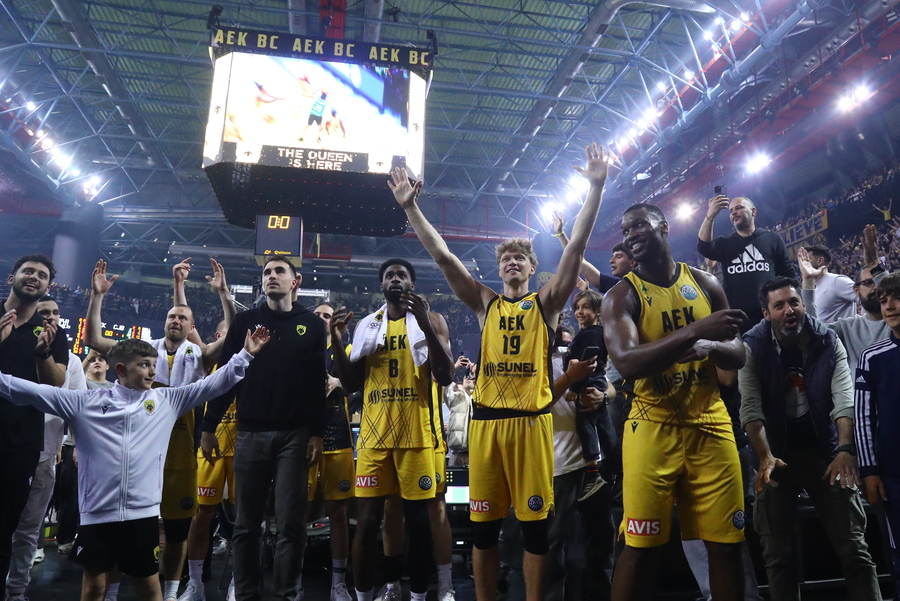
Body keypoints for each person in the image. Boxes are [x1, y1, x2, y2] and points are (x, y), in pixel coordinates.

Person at [389, 143, 608, 601]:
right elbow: (445, 256)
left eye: (520, 259)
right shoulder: (485, 302)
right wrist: (412, 209)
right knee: (485, 533)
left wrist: (597, 186)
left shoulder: (546, 304)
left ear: (532, 268)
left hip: (531, 426)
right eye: (505, 259)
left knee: (534, 535)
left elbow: (579, 249)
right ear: (499, 267)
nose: (511, 263)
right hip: (487, 425)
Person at [0, 328, 269, 601]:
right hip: (97, 516)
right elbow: (23, 390)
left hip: (143, 517)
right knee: (93, 588)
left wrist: (245, 355)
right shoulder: (84, 403)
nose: (153, 372)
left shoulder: (167, 401)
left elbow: (211, 385)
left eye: (154, 365)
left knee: (150, 589)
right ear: (120, 369)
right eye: (144, 365)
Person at [602, 203, 748, 601]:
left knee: (726, 545)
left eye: (638, 226)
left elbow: (737, 355)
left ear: (663, 227)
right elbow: (628, 363)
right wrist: (696, 331)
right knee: (639, 547)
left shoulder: (704, 282)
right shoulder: (620, 296)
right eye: (625, 229)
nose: (630, 234)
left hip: (711, 423)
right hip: (652, 425)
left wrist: (710, 345)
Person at [85, 258, 234, 601]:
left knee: (178, 529)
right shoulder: (143, 349)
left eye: (183, 318)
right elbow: (93, 338)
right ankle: (112, 593)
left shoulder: (199, 354)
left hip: (181, 448)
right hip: (138, 446)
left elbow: (232, 339)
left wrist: (224, 294)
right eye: (171, 315)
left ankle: (169, 593)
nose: (175, 320)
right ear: (164, 321)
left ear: (192, 326)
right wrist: (97, 297)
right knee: (127, 525)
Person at [739, 277, 881, 601]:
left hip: (825, 451)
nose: (789, 309)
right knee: (778, 558)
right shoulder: (752, 345)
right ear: (766, 313)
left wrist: (845, 449)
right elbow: (751, 407)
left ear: (803, 305)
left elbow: (844, 399)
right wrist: (764, 455)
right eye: (780, 305)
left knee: (855, 551)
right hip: (774, 454)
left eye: (794, 302)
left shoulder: (828, 340)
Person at [201, 257, 326, 601]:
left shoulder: (313, 325)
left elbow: (317, 384)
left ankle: (286, 593)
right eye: (267, 272)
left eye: (279, 272)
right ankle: (246, 595)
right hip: (250, 432)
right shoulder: (245, 321)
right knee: (245, 526)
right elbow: (227, 377)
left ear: (295, 281)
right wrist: (209, 424)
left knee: (290, 524)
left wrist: (317, 432)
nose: (271, 276)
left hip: (295, 435)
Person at [329, 259, 455, 601]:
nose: (395, 279)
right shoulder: (368, 325)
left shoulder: (433, 321)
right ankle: (366, 594)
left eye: (401, 275)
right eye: (389, 276)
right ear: (381, 286)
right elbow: (352, 382)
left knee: (419, 523)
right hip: (374, 438)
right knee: (367, 522)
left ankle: (417, 595)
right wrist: (336, 341)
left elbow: (445, 376)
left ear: (411, 284)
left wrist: (427, 325)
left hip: (417, 436)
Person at [5, 296, 86, 600]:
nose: (50, 318)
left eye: (55, 313)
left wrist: (77, 445)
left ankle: (16, 590)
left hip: (45, 454)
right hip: (10, 448)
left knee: (28, 528)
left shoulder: (73, 362)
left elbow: (78, 407)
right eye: (44, 313)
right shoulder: (16, 348)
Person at [0, 254, 69, 601]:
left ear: (48, 286)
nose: (33, 277)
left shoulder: (52, 334)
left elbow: (55, 387)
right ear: (13, 275)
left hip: (21, 444)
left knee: (7, 530)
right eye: (28, 271)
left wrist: (43, 354)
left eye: (41, 275)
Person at [548, 325, 616, 601]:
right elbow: (536, 404)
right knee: (552, 547)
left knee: (601, 542)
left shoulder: (574, 355)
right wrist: (568, 378)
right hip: (557, 464)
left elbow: (607, 384)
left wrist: (604, 396)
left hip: (591, 464)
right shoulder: (532, 364)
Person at [298, 302, 355, 601]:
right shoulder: (299, 347)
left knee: (338, 512)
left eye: (328, 315)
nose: (322, 319)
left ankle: (338, 582)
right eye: (318, 314)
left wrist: (339, 384)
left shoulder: (342, 351)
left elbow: (359, 386)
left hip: (338, 437)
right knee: (299, 512)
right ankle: (294, 580)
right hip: (304, 437)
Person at [179, 320, 236, 601]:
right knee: (202, 516)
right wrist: (179, 283)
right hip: (210, 446)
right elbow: (187, 323)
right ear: (217, 336)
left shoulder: (252, 356)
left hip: (243, 446)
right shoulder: (206, 360)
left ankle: (238, 581)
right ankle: (195, 583)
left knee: (243, 519)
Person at [856, 272, 900, 598]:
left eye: (896, 298)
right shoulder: (872, 357)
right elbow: (863, 419)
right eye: (883, 301)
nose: (890, 306)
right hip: (894, 474)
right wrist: (869, 471)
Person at [797, 226, 891, 369]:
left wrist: (875, 266)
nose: (875, 287)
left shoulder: (894, 323)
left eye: (876, 281)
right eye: (867, 283)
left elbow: (891, 295)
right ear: (856, 290)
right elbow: (813, 334)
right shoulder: (847, 328)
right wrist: (808, 282)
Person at [697, 194, 795, 330]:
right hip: (738, 319)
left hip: (770, 314)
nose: (734, 213)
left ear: (753, 211)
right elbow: (703, 246)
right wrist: (710, 215)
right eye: (731, 211)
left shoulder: (772, 239)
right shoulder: (726, 244)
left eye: (739, 208)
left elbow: (788, 273)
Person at [564, 289, 615, 501]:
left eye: (585, 307)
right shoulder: (597, 332)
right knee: (603, 426)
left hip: (589, 382)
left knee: (585, 424)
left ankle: (593, 474)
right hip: (597, 381)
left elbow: (587, 364)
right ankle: (614, 472)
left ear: (598, 311)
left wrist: (575, 388)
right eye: (577, 307)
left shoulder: (591, 334)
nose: (579, 311)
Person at [552, 212, 632, 292]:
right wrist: (560, 233)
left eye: (618, 256)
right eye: (613, 256)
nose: (611, 261)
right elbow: (578, 260)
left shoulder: (642, 283)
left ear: (633, 262)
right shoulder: (615, 286)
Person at [802, 244, 858, 323]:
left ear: (819, 261)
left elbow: (866, 298)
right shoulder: (811, 289)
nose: (803, 265)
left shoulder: (837, 281)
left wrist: (862, 324)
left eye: (807, 260)